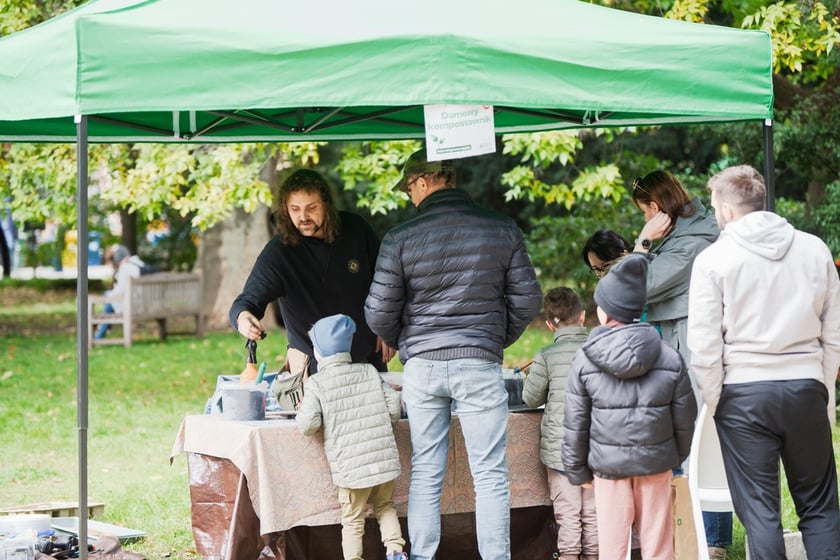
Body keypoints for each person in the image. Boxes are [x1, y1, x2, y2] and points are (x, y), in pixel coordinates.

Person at [364, 147, 542, 560]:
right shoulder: (501, 228)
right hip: (478, 361)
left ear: (423, 182)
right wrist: (492, 338)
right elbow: (528, 299)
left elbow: (377, 311)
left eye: (409, 187)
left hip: (423, 367)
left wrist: (408, 343)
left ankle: (422, 557)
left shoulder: (400, 238)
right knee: (491, 474)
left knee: (426, 471)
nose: (410, 196)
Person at [687, 164, 840, 560]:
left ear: (727, 209)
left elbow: (703, 346)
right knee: (820, 508)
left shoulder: (713, 259)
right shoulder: (815, 249)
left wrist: (716, 399)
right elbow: (833, 334)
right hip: (806, 385)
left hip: (743, 393)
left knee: (760, 514)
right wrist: (821, 390)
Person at [562, 253, 697, 560]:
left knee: (613, 547)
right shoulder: (669, 357)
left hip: (609, 470)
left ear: (605, 313)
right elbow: (686, 417)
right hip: (656, 465)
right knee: (659, 545)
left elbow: (575, 421)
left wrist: (578, 470)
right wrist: (674, 456)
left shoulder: (585, 359)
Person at [630, 169, 730, 558]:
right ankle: (704, 536)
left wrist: (641, 243)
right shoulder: (690, 232)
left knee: (694, 437)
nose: (643, 221)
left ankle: (708, 540)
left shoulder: (690, 242)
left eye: (643, 213)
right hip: (682, 339)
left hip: (689, 343)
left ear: (655, 208)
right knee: (698, 435)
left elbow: (641, 285)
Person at [230, 169, 394, 373]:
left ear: (326, 204)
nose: (303, 216)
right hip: (311, 367)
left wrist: (387, 328)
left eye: (311, 207)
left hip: (367, 358)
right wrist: (243, 318)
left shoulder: (356, 229)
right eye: (295, 209)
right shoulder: (279, 252)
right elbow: (247, 301)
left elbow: (387, 283)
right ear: (285, 209)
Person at [296, 314, 407, 560]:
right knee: (385, 507)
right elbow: (393, 408)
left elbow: (308, 425)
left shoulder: (317, 383)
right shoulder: (369, 371)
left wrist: (303, 409)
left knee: (353, 521)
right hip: (383, 461)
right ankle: (395, 552)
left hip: (351, 469)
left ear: (320, 352)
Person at [521, 287, 596, 560]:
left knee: (568, 515)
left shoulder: (546, 355)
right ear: (583, 316)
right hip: (596, 449)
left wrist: (532, 376)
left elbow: (530, 399)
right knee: (594, 517)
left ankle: (568, 555)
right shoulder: (599, 349)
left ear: (551, 324)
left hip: (560, 450)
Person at [94, 244, 147, 339]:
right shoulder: (140, 264)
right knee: (109, 299)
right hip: (143, 304)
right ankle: (102, 330)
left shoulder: (125, 268)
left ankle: (101, 332)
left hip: (131, 305)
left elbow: (118, 293)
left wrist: (114, 289)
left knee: (107, 295)